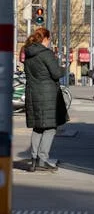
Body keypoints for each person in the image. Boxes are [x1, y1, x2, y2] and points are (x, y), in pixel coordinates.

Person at [23, 27, 67, 173]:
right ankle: (42, 159)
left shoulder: (28, 54)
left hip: (32, 93)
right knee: (50, 127)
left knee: (38, 127)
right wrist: (63, 69)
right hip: (47, 95)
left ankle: (34, 160)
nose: (49, 43)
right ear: (45, 39)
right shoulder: (46, 54)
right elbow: (55, 73)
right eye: (49, 40)